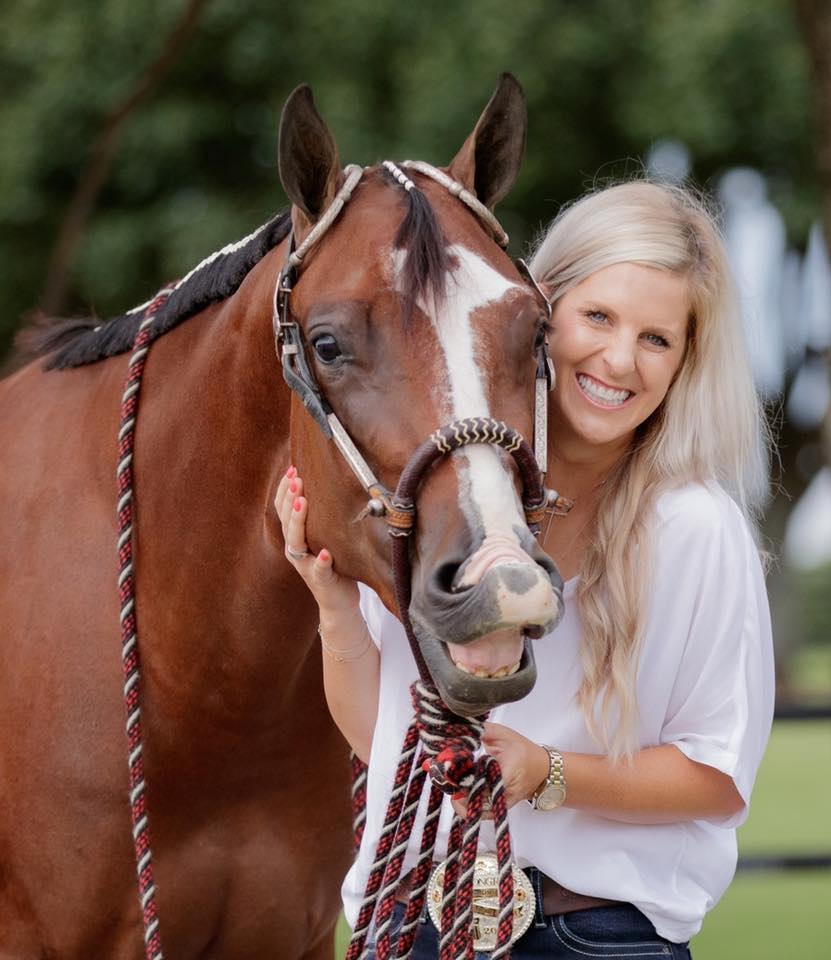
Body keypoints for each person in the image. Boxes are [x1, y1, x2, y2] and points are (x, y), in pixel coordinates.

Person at [275, 179, 775, 959]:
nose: (618, 359)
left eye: (656, 338)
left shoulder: (691, 527)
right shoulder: (452, 504)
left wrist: (545, 772)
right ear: (540, 308)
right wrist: (333, 604)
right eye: (598, 317)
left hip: (593, 936)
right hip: (416, 926)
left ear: (684, 362)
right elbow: (387, 741)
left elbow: (715, 775)